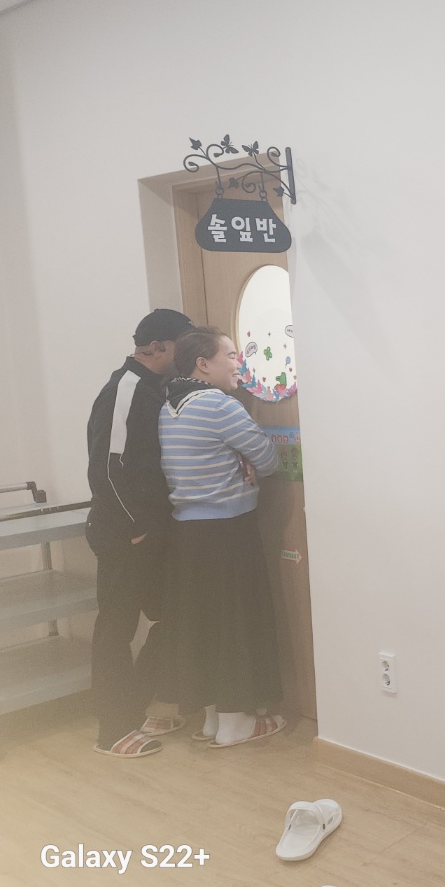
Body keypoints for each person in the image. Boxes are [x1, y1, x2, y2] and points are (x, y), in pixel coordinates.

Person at [159, 327, 285, 747]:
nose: (238, 363)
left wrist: (236, 454)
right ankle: (235, 724)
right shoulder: (218, 404)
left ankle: (214, 719)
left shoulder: (170, 405)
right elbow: (268, 459)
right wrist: (244, 456)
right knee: (235, 623)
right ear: (203, 364)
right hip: (227, 531)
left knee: (206, 624)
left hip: (188, 531)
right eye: (230, 355)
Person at [86, 308, 196, 758]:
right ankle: (112, 730)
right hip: (122, 534)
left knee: (174, 614)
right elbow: (106, 468)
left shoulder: (158, 389)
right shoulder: (125, 389)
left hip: (150, 532)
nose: (188, 356)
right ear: (156, 348)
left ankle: (138, 706)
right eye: (182, 348)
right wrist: (134, 527)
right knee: (116, 628)